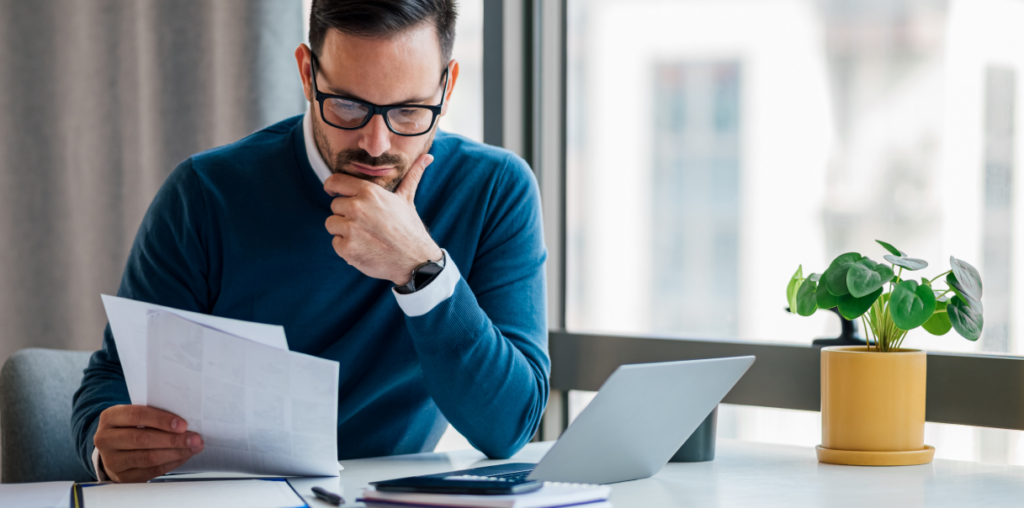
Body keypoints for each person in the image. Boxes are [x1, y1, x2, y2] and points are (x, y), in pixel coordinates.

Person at [71, 0, 549, 483]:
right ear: (306, 73)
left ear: (446, 88)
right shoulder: (206, 194)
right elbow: (111, 381)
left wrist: (420, 270)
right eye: (348, 106)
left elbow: (508, 427)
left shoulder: (494, 191)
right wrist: (107, 445)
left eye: (408, 111)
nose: (376, 143)